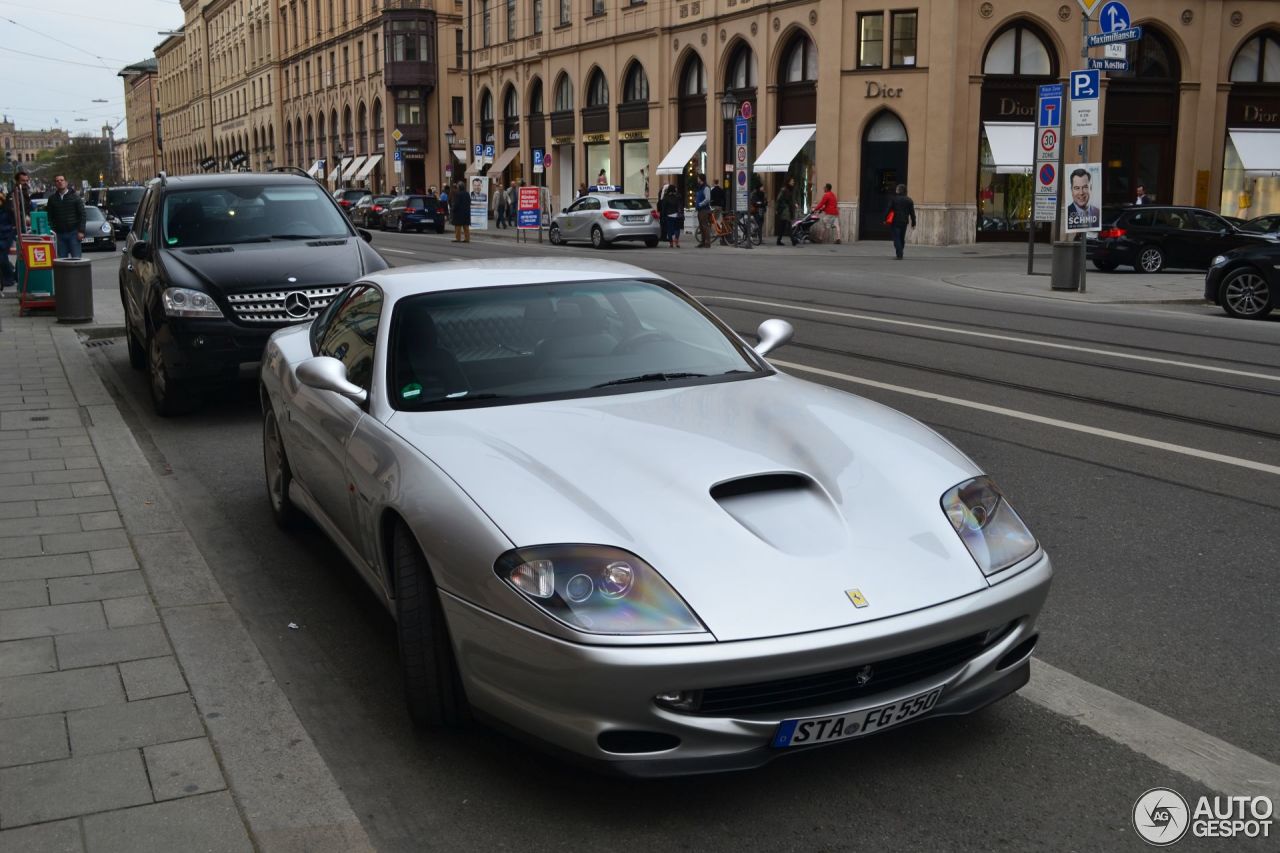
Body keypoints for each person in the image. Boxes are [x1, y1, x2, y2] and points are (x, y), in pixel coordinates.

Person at [46, 175, 86, 260]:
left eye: (62, 180)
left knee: (76, 260)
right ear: (55, 184)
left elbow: (82, 214)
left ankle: (77, 274)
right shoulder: (52, 199)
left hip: (74, 234)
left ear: (66, 182)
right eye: (57, 181)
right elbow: (49, 216)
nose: (60, 182)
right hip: (59, 235)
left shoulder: (75, 197)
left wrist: (81, 231)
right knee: (61, 261)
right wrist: (52, 230)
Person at [884, 183, 917, 260]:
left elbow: (888, 209)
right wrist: (913, 223)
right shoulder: (909, 200)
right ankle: (900, 251)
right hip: (904, 221)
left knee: (896, 238)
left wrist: (884, 218)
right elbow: (912, 213)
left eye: (897, 189)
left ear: (898, 190)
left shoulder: (894, 199)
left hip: (895, 221)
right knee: (901, 238)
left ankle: (899, 254)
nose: (896, 190)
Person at [0, 190, 16, 296]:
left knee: (2, 258)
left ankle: (9, 277)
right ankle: (8, 274)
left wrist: (10, 231)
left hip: (6, 236)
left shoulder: (7, 210)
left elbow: (13, 223)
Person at [774, 179, 795, 246]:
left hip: (787, 209)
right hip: (785, 210)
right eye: (792, 181)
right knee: (789, 225)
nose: (793, 182)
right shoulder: (784, 190)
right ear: (788, 182)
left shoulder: (789, 190)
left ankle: (778, 240)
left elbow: (790, 200)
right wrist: (777, 209)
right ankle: (793, 240)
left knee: (782, 226)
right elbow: (778, 199)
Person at [694, 174, 712, 248]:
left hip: (704, 210)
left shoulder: (706, 188)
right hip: (700, 210)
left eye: (698, 178)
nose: (697, 179)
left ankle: (707, 242)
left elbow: (707, 199)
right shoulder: (700, 188)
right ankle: (703, 241)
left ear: (701, 179)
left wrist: (700, 204)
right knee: (701, 226)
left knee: (705, 226)